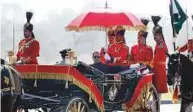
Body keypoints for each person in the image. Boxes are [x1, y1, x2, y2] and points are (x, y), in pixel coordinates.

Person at [151, 16, 168, 95]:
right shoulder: (158, 44)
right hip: (156, 69)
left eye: (156, 35)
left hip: (160, 70)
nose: (154, 37)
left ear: (161, 35)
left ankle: (157, 107)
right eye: (154, 36)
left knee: (158, 92)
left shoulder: (161, 45)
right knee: (155, 92)